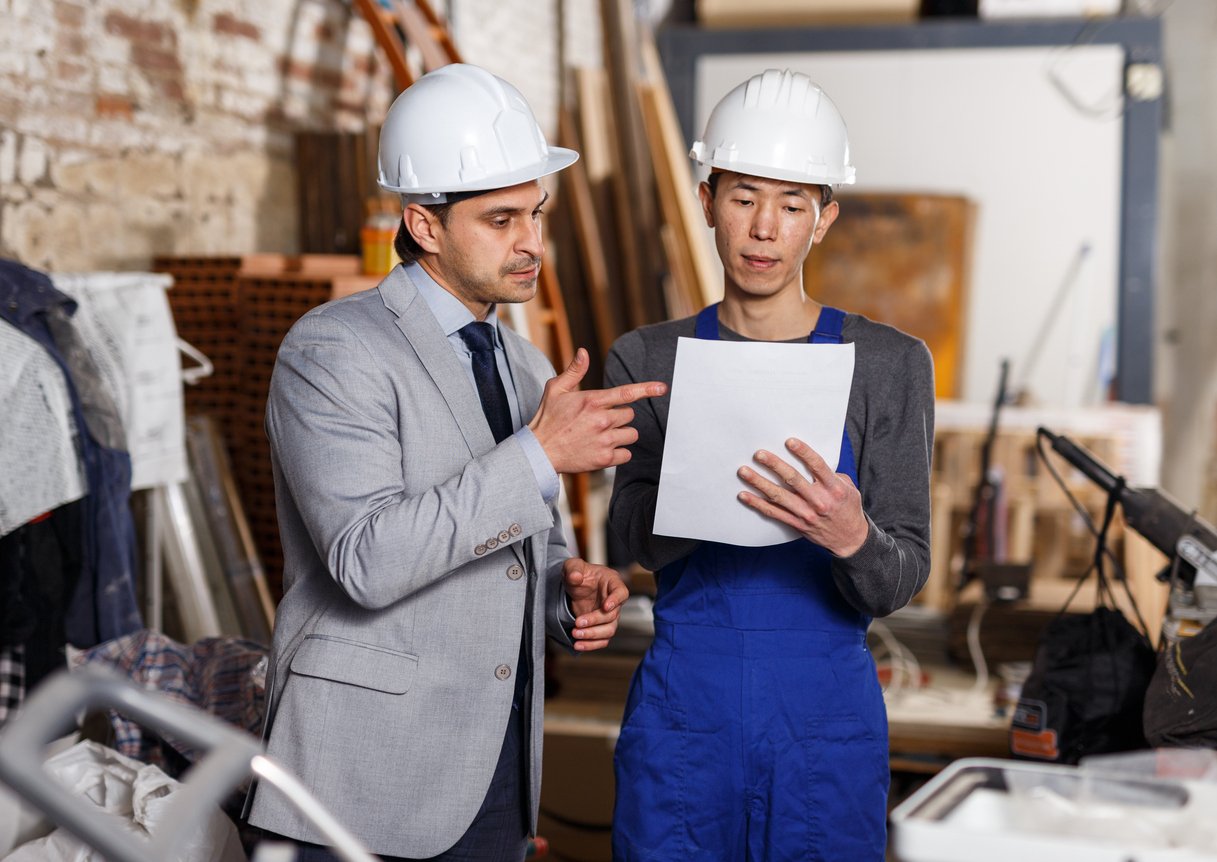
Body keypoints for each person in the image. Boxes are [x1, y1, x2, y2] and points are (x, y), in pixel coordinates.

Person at [246, 64, 666, 862]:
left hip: (494, 768)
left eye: (535, 214)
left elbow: (519, 554)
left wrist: (566, 592)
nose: (531, 242)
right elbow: (366, 559)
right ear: (425, 225)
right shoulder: (333, 349)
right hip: (358, 779)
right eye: (501, 218)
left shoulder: (524, 363)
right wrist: (538, 454)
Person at [606, 69, 935, 861]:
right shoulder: (646, 357)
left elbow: (901, 575)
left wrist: (852, 536)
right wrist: (699, 482)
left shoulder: (886, 364)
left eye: (791, 206)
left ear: (823, 220)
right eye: (743, 198)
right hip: (688, 715)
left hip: (823, 721)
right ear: (706, 199)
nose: (763, 229)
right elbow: (627, 539)